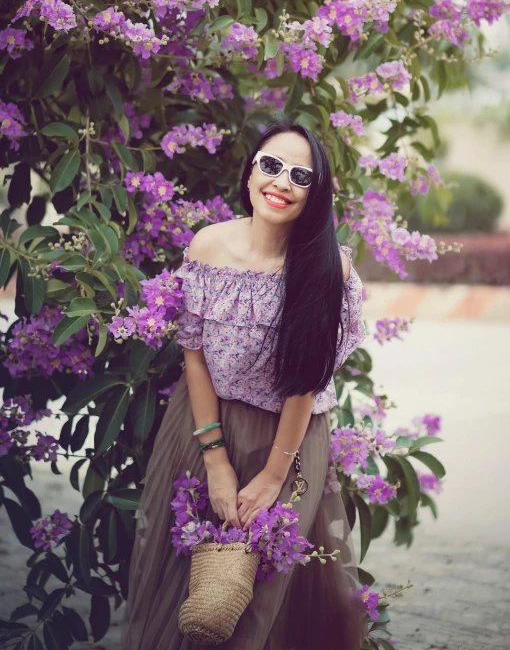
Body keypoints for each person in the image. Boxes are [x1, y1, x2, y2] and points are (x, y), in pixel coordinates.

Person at [120, 117, 367, 649]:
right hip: (204, 424)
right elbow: (195, 356)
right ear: (251, 171)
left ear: (316, 191)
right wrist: (215, 460)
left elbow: (306, 383)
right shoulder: (208, 246)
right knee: (198, 587)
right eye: (272, 166)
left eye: (300, 176)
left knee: (258, 598)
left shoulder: (331, 269)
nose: (281, 183)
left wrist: (272, 477)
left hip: (288, 439)